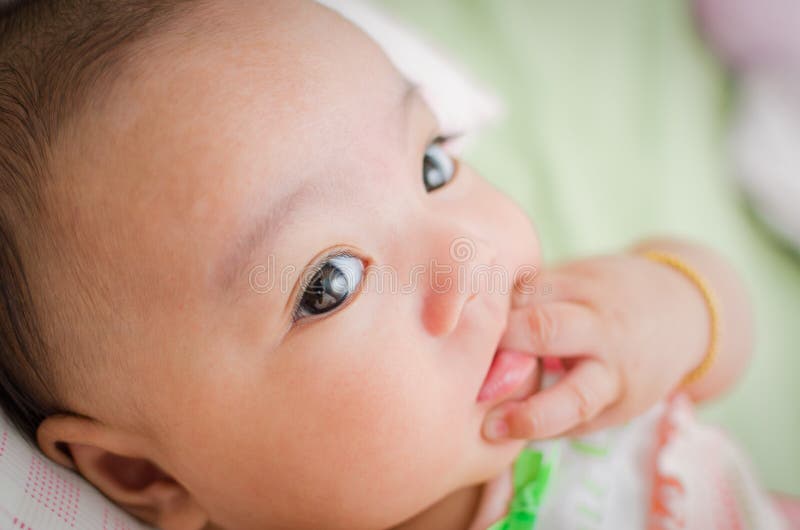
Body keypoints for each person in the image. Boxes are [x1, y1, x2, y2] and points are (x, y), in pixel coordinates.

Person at [0, 1, 789, 528]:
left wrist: (669, 307)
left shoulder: (565, 352)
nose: (466, 258)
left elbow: (717, 339)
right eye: (329, 283)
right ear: (145, 479)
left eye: (433, 166)